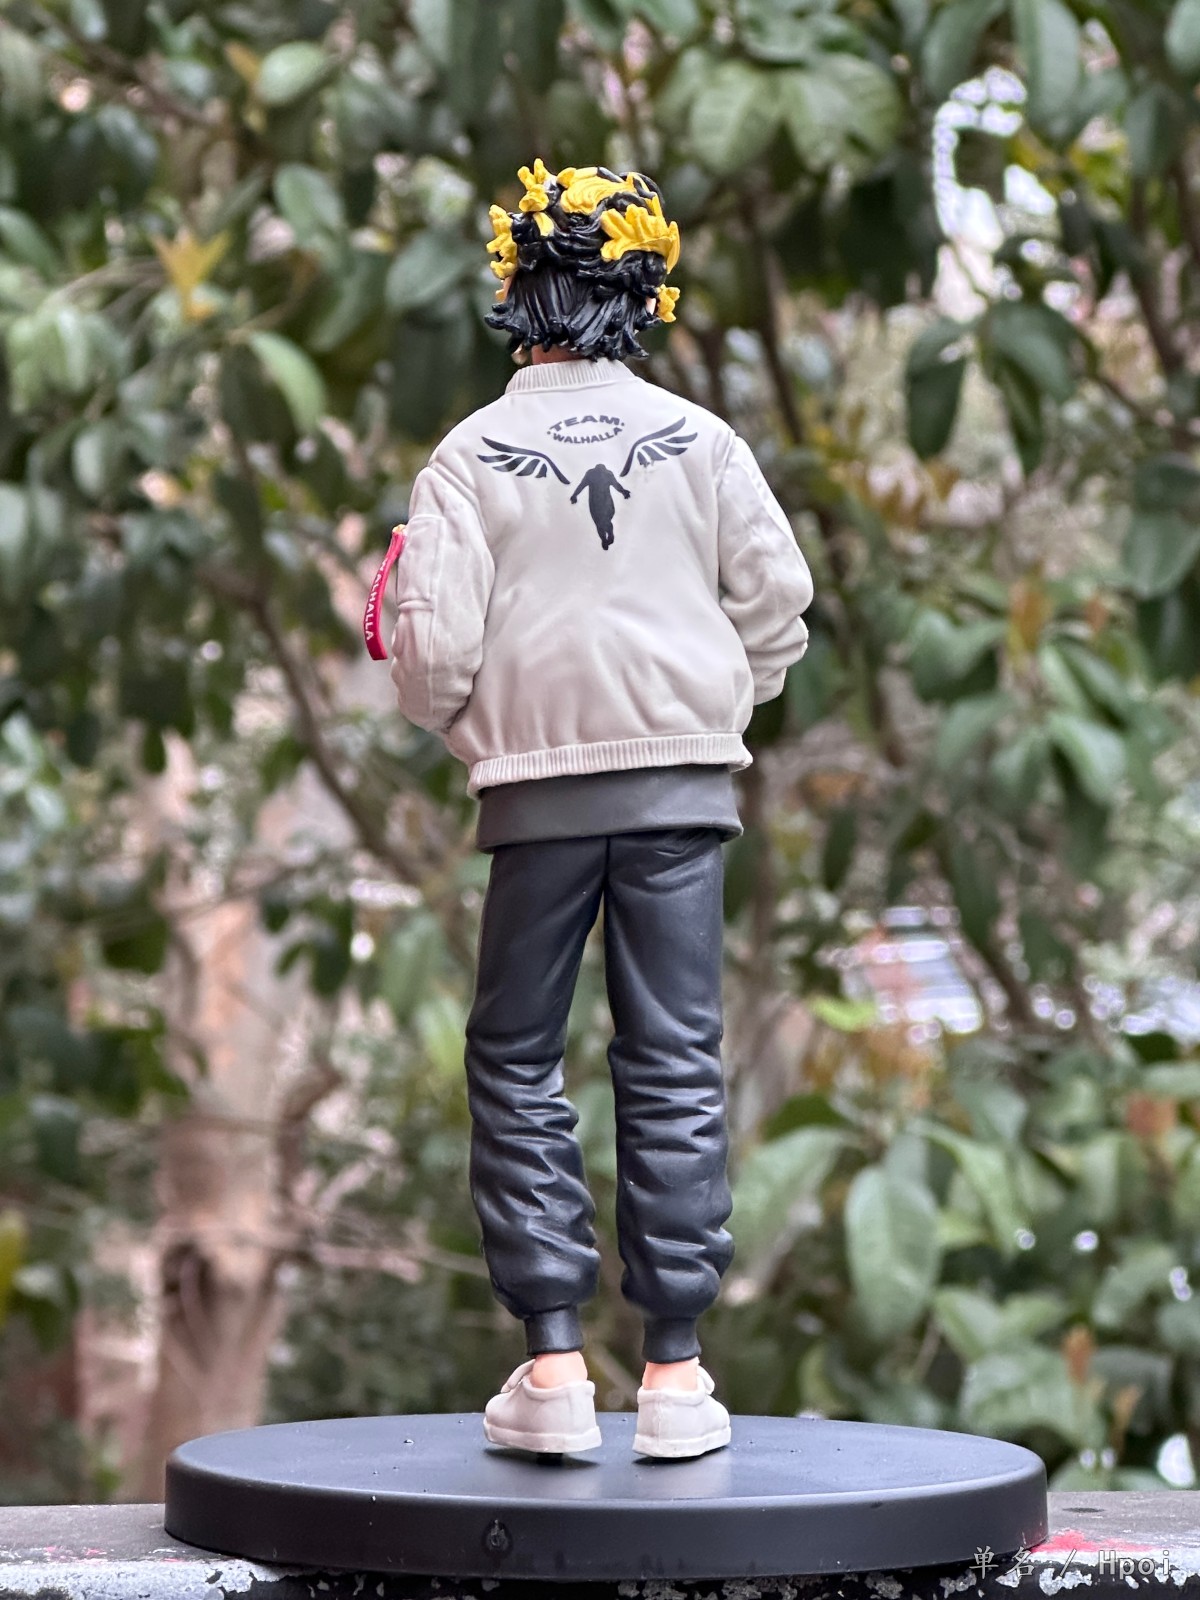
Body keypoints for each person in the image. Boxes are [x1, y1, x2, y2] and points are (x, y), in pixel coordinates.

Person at [380, 160, 813, 1458]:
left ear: (519, 287)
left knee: (517, 1056)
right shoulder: (705, 442)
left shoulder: (469, 455)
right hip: (685, 791)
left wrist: (477, 725)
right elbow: (777, 608)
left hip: (536, 802)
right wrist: (708, 710)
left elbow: (430, 654)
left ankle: (554, 1364)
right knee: (673, 1055)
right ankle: (676, 1374)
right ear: (644, 290)